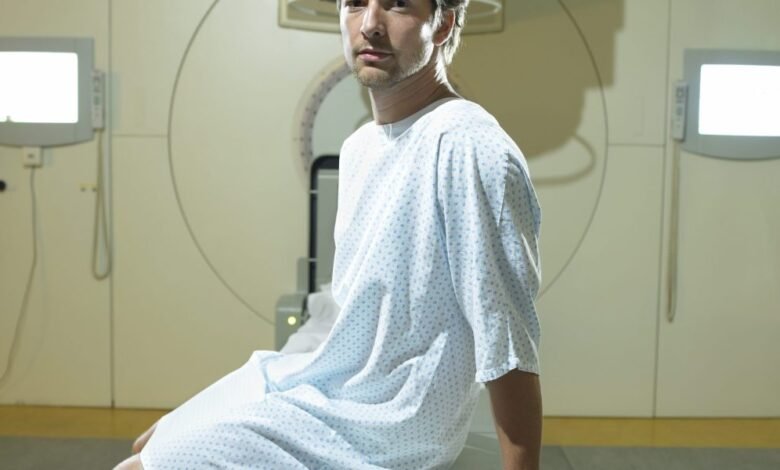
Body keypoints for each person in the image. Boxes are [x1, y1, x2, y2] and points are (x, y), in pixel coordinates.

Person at [116, 0, 542, 468]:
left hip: (383, 425)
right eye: (355, 3)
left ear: (443, 25)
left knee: (142, 467)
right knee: (152, 442)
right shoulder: (361, 147)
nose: (371, 24)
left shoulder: (467, 146)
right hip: (328, 379)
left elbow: (508, 345)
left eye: (398, 4)